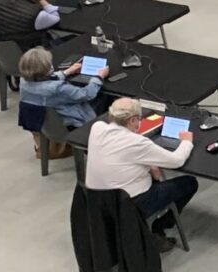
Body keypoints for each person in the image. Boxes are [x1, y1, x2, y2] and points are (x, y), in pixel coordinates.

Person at [84, 98, 196, 251]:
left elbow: (121, 154)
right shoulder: (137, 143)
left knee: (153, 175)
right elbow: (177, 161)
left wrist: (148, 162)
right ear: (132, 120)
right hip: (131, 203)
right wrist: (186, 142)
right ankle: (162, 224)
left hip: (98, 200)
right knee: (189, 183)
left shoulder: (97, 128)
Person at [17, 46, 107, 128]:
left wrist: (66, 72)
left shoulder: (23, 81)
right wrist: (98, 77)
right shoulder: (59, 89)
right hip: (72, 123)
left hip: (45, 123)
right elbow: (86, 94)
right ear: (48, 68)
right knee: (107, 98)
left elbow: (43, 80)